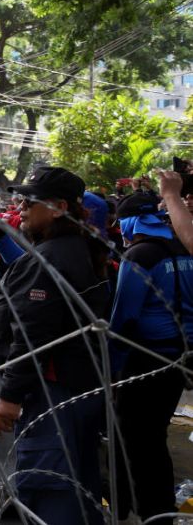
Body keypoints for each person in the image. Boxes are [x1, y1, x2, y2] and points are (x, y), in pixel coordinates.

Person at [0, 167, 109, 525]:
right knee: (78, 484)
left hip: (52, 393)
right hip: (80, 389)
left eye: (30, 200)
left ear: (57, 207)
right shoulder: (80, 250)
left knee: (49, 490)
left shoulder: (50, 259)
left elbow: (33, 334)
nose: (21, 206)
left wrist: (10, 395)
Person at [108, 192, 193, 524]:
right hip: (179, 358)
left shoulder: (139, 256)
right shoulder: (185, 248)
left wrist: (111, 369)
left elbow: (124, 317)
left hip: (144, 361)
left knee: (132, 438)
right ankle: (160, 511)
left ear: (129, 222)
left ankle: (138, 510)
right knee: (155, 436)